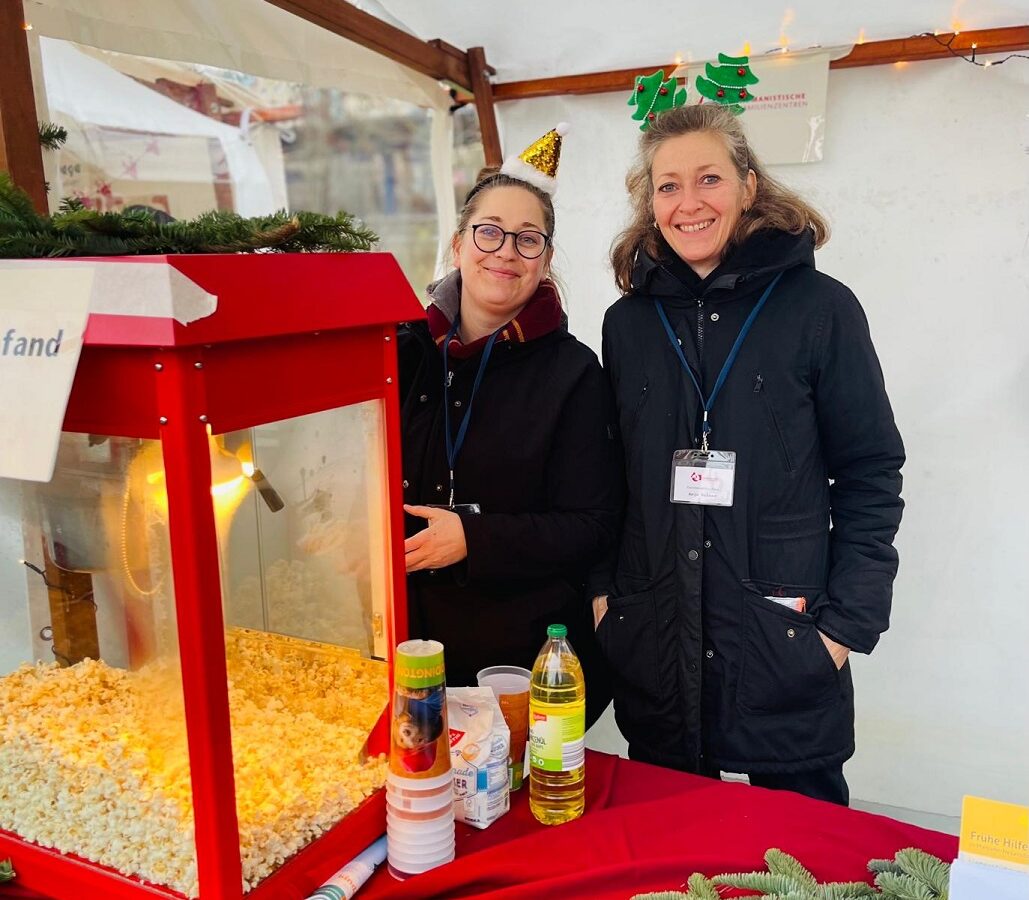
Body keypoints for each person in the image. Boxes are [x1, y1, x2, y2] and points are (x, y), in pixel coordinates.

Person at [595, 104, 904, 805]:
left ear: (748, 185)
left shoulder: (820, 309)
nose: (688, 202)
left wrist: (844, 628)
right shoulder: (628, 323)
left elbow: (869, 472)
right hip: (658, 641)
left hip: (784, 642)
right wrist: (606, 604)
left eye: (708, 178)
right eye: (668, 185)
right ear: (650, 203)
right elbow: (607, 480)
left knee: (798, 850)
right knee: (671, 843)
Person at [398, 125, 621, 724]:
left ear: (544, 260)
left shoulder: (573, 373)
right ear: (458, 244)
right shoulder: (405, 350)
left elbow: (594, 524)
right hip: (403, 648)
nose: (505, 252)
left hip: (519, 662)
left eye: (527, 239)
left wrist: (475, 539)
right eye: (489, 231)